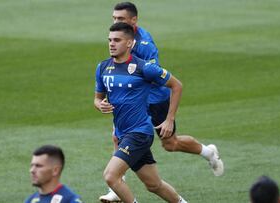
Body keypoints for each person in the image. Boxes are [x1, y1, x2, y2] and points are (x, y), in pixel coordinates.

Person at [99, 2, 224, 202]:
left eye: (121, 19)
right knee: (118, 136)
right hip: (136, 100)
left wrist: (169, 118)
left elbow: (155, 76)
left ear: (134, 20)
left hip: (155, 99)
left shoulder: (145, 44)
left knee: (170, 144)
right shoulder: (119, 38)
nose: (116, 22)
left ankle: (208, 152)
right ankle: (116, 187)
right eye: (114, 18)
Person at [94, 22, 187, 203]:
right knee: (154, 185)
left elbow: (176, 85)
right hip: (123, 134)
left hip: (139, 133)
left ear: (130, 43)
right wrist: (100, 105)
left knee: (111, 176)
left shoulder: (144, 67)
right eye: (110, 40)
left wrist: (169, 119)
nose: (112, 44)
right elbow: (97, 98)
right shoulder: (103, 68)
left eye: (117, 40)